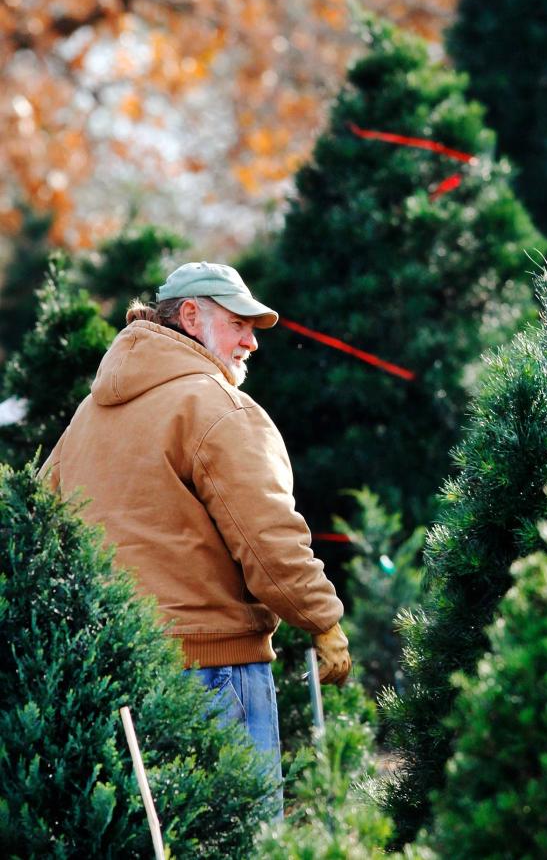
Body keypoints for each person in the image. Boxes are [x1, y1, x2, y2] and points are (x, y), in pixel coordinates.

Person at [40, 261, 350, 806]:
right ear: (190, 315)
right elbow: (268, 538)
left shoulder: (88, 415)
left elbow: (39, 524)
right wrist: (322, 621)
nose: (252, 343)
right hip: (213, 672)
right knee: (239, 839)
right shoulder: (218, 408)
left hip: (111, 675)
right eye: (240, 324)